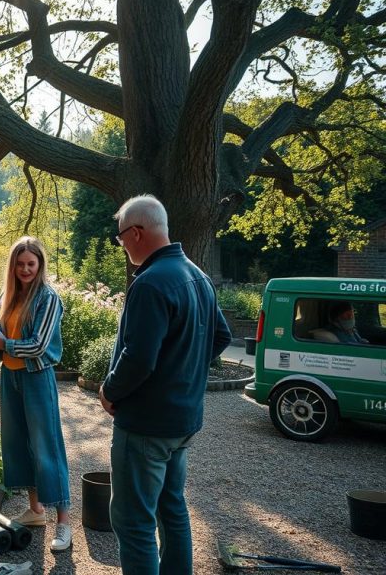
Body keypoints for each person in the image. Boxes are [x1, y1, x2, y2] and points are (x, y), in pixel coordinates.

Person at [99, 195, 232, 575]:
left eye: (121, 237)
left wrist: (109, 390)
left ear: (136, 232)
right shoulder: (197, 275)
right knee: (172, 508)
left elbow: (138, 359)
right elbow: (219, 337)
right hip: (183, 421)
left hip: (146, 426)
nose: (121, 244)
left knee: (133, 520)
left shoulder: (151, 283)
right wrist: (183, 372)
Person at [0, 236, 72, 552]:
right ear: (13, 267)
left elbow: (40, 345)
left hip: (37, 378)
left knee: (47, 448)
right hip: (11, 377)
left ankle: (64, 522)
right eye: (20, 264)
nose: (26, 269)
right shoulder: (8, 296)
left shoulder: (48, 298)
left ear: (40, 265)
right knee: (18, 444)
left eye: (31, 264)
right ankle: (36, 511)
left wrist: (2, 344)